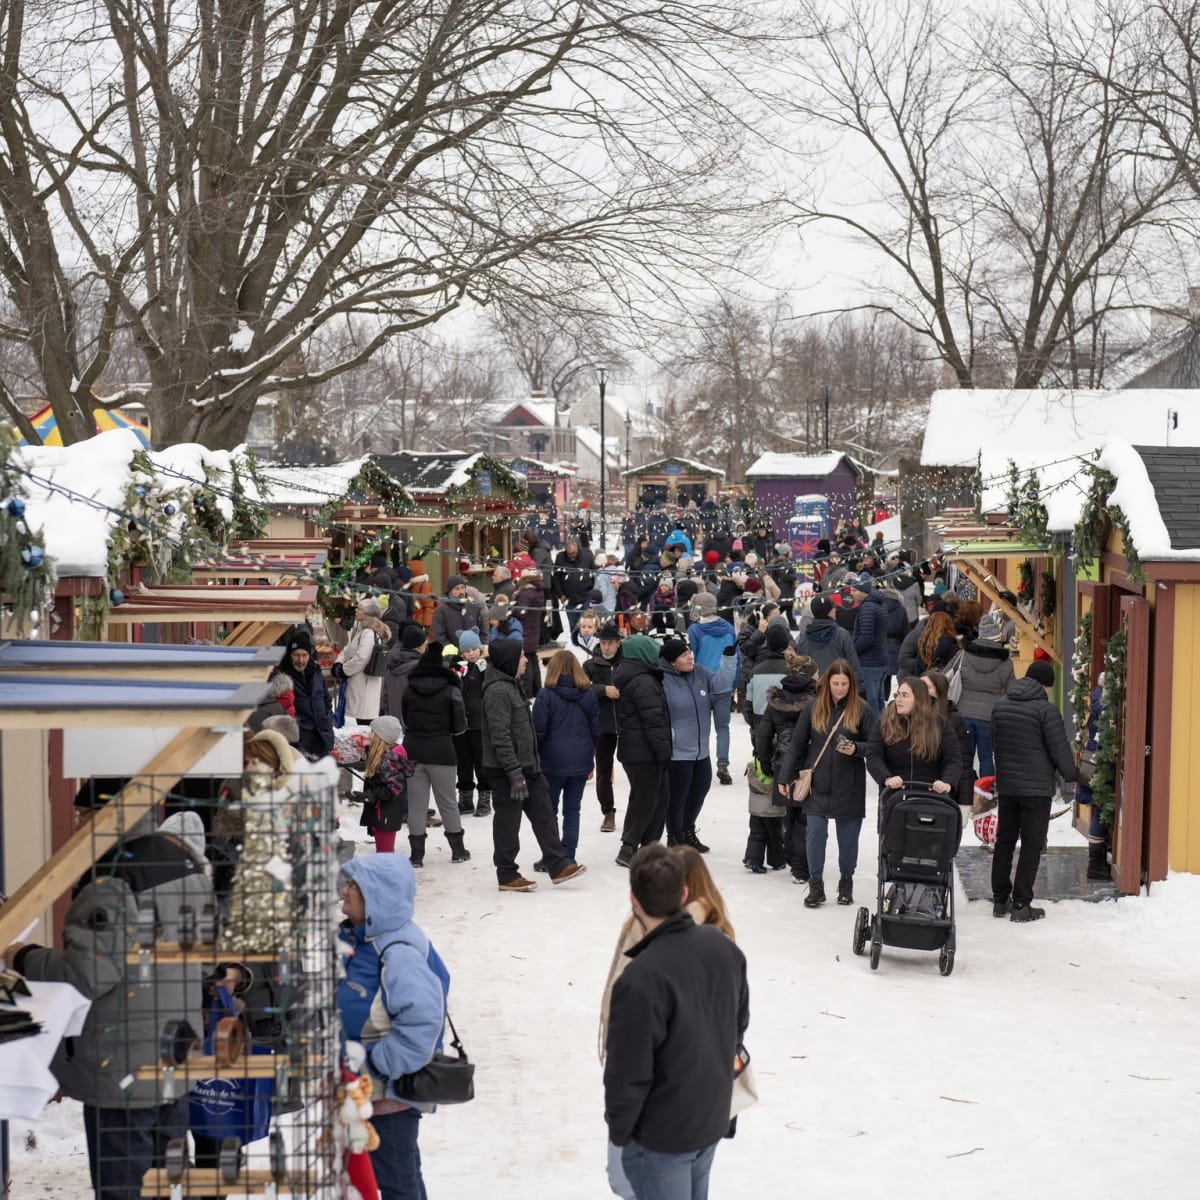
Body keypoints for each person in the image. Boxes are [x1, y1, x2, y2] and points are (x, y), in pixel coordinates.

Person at [4, 804, 211, 1200]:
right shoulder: (187, 863)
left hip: (122, 1070)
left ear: (108, 814)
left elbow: (90, 973)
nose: (79, 824)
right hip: (177, 1057)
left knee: (123, 1188)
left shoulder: (113, 877)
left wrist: (23, 955)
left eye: (84, 814)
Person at [603, 844, 749, 1200]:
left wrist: (620, 1133)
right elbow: (738, 1024)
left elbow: (628, 1072)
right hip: (709, 1117)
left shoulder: (640, 979)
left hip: (663, 1137)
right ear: (684, 894)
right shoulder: (722, 946)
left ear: (634, 901)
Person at [337, 855, 447, 1200]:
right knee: (386, 1179)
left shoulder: (398, 953)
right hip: (362, 1092)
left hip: (388, 1100)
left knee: (398, 1185)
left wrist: (378, 1065)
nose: (344, 891)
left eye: (353, 886)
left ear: (377, 897)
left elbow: (423, 1023)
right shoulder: (364, 940)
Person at [481, 637, 587, 892]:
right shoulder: (497, 690)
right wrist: (514, 773)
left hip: (529, 767)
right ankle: (507, 874)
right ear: (509, 660)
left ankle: (558, 864)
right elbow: (500, 736)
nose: (526, 660)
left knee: (544, 815)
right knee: (508, 823)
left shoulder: (511, 685)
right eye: (520, 656)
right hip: (507, 771)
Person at [778, 658, 876, 907]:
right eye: (835, 683)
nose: (840, 688)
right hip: (818, 781)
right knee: (815, 833)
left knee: (848, 838)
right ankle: (816, 883)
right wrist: (785, 775)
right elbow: (798, 744)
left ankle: (846, 880)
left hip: (849, 782)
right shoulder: (813, 707)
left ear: (851, 684)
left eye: (844, 683)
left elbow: (875, 746)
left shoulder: (862, 709)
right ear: (827, 682)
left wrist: (855, 748)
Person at [990, 661, 1078, 922]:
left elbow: (997, 745)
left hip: (1007, 787)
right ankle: (1021, 904)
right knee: (1031, 844)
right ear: (1044, 685)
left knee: (1004, 840)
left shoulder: (1001, 706)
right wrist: (1072, 775)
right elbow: (1059, 749)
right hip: (1036, 790)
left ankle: (999, 899)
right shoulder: (1045, 710)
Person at [659, 637, 736, 852]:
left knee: (699, 790)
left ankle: (688, 830)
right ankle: (674, 836)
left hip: (701, 750)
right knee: (677, 797)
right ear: (672, 661)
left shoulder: (700, 672)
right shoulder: (662, 680)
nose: (690, 656)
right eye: (684, 655)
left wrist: (728, 660)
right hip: (678, 752)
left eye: (690, 652)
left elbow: (721, 684)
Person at [400, 642, 470, 867]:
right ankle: (458, 850)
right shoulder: (452, 690)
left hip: (413, 750)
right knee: (448, 802)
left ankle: (417, 855)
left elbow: (406, 719)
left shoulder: (409, 689)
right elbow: (460, 726)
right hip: (442, 750)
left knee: (417, 805)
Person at [748, 651, 817, 873]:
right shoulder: (816, 704)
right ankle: (800, 863)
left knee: (790, 812)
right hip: (808, 766)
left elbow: (763, 735)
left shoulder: (775, 702)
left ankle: (789, 854)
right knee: (805, 816)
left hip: (781, 763)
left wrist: (766, 761)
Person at [532, 650, 602, 866]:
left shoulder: (546, 695)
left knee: (549, 810)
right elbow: (596, 729)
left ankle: (552, 857)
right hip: (580, 761)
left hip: (552, 762)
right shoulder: (588, 693)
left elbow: (538, 731)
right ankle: (569, 855)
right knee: (573, 810)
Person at [613, 634, 673, 867]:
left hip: (639, 749)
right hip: (643, 751)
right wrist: (663, 752)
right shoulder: (643, 681)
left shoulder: (638, 676)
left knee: (659, 795)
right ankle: (629, 847)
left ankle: (650, 845)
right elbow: (653, 721)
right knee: (646, 798)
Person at [866, 678, 962, 800]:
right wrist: (886, 778)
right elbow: (873, 755)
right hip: (894, 797)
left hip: (930, 796)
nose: (898, 700)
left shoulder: (940, 724)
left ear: (919, 700)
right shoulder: (885, 722)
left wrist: (947, 782)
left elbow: (953, 758)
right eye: (898, 694)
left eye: (905, 696)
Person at [687, 592, 737, 785]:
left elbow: (690, 658)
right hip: (724, 684)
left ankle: (700, 763)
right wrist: (733, 684)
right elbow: (736, 657)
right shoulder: (729, 628)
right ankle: (723, 764)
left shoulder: (695, 630)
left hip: (701, 685)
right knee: (723, 727)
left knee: (701, 727)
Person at [956, 632, 1015, 777]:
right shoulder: (1005, 661)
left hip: (964, 713)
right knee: (987, 757)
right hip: (989, 715)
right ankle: (986, 793)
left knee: (964, 757)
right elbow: (1012, 690)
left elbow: (947, 675)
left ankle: (965, 791)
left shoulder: (963, 655)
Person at [585, 621, 624, 833]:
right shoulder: (591, 665)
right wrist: (602, 690)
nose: (606, 647)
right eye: (603, 642)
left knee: (636, 771)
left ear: (618, 643)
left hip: (627, 724)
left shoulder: (627, 663)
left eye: (610, 643)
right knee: (603, 771)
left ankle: (640, 811)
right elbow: (580, 689)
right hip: (603, 726)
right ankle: (608, 812)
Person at [922, 670, 976, 809]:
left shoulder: (953, 719)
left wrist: (965, 800)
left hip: (944, 791)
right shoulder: (911, 717)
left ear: (939, 691)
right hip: (918, 789)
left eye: (927, 687)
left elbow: (964, 761)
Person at [359, 715, 413, 854]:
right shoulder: (384, 756)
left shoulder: (388, 760)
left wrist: (368, 795)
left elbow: (393, 789)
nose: (368, 734)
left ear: (380, 737)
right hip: (382, 813)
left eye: (372, 731)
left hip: (385, 814)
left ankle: (388, 875)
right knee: (383, 851)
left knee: (385, 853)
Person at [452, 630, 491, 817]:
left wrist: (486, 671)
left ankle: (485, 795)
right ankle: (465, 796)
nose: (472, 654)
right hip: (461, 724)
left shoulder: (486, 667)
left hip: (480, 723)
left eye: (475, 649)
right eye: (467, 651)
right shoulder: (459, 668)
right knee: (463, 762)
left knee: (482, 762)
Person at [279, 629, 335, 757]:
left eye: (304, 655)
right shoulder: (284, 678)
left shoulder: (316, 673)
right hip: (300, 740)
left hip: (322, 736)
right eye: (296, 655)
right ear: (289, 655)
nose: (300, 660)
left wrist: (327, 719)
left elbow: (326, 699)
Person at [334, 598, 391, 724]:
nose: (356, 610)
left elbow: (361, 658)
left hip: (364, 684)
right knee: (361, 720)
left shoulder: (369, 633)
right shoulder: (360, 629)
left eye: (359, 609)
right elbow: (348, 648)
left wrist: (343, 670)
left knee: (364, 722)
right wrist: (338, 662)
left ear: (368, 613)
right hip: (360, 683)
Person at [792, 594, 862, 681]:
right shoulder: (841, 634)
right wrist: (858, 686)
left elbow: (799, 665)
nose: (835, 610)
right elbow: (853, 664)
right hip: (838, 687)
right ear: (828, 611)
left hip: (813, 687)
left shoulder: (804, 637)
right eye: (833, 607)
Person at [849, 574, 888, 714]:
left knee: (871, 703)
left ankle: (875, 731)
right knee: (878, 700)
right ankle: (883, 727)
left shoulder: (867, 608)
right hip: (880, 659)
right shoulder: (878, 604)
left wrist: (851, 651)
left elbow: (866, 637)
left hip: (870, 662)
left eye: (854, 590)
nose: (851, 593)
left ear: (863, 590)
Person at [513, 566, 550, 696]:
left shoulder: (526, 592)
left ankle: (527, 691)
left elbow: (521, 613)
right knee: (533, 658)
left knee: (526, 660)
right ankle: (537, 688)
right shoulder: (538, 590)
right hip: (534, 631)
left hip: (525, 631)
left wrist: (512, 607)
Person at [381, 623, 426, 718]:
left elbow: (385, 697)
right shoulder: (420, 667)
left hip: (393, 721)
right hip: (414, 722)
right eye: (424, 644)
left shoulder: (391, 663)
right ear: (419, 646)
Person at [431, 572, 487, 647]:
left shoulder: (474, 606)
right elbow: (440, 637)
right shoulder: (441, 611)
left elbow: (483, 630)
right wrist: (454, 653)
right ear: (449, 591)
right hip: (453, 655)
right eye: (457, 589)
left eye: (462, 587)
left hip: (475, 653)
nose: (461, 592)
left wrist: (479, 647)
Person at [552, 537, 596, 631]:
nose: (572, 556)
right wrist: (561, 594)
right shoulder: (560, 558)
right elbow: (556, 578)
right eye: (569, 554)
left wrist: (593, 591)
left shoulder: (587, 555)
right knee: (574, 626)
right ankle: (574, 643)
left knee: (586, 624)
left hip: (586, 596)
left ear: (578, 549)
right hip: (569, 598)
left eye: (574, 553)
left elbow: (594, 574)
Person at [406, 558, 436, 633]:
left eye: (409, 570)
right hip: (415, 620)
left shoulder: (424, 585)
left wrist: (427, 625)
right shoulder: (411, 585)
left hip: (421, 622)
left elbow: (429, 606)